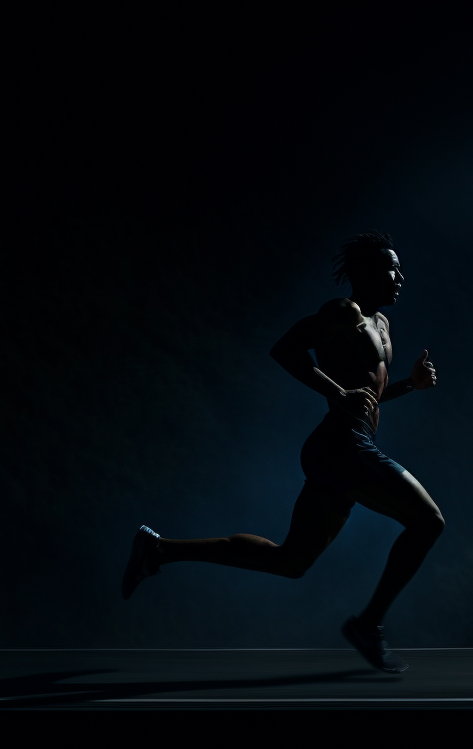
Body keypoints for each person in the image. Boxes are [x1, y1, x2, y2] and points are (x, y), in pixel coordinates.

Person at [121, 231, 441, 673]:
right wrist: (337, 391)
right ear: (367, 274)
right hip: (341, 445)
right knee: (427, 521)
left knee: (291, 561)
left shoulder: (382, 326)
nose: (401, 276)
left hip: (343, 449)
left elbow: (365, 396)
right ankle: (368, 626)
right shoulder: (342, 313)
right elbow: (285, 349)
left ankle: (159, 550)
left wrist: (409, 385)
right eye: (392, 268)